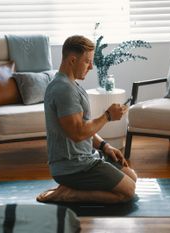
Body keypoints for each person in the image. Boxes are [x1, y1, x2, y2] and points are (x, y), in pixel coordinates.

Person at [37, 35, 137, 204]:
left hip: (86, 158)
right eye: (87, 61)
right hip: (73, 167)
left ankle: (75, 187)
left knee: (132, 177)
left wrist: (105, 146)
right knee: (128, 192)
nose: (91, 66)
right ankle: (68, 194)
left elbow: (82, 127)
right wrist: (107, 116)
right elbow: (78, 133)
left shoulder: (71, 85)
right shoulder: (64, 90)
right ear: (72, 60)